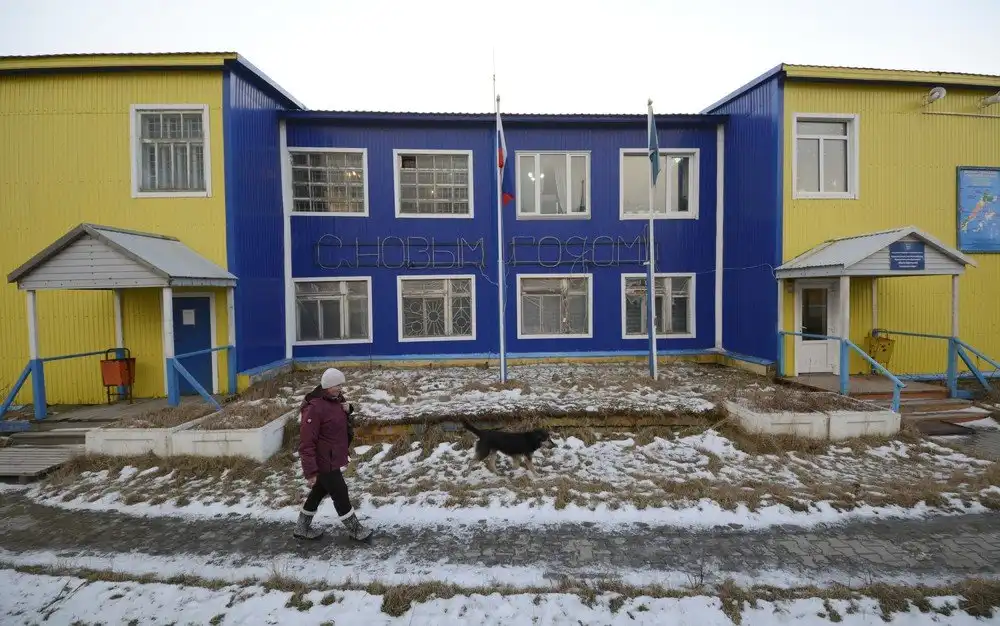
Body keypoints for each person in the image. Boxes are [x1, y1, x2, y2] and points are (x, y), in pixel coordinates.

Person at [293, 367, 373, 542]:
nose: (340, 389)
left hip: (332, 456)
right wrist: (310, 472)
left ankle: (301, 527)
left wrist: (349, 409)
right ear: (327, 385)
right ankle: (355, 530)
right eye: (337, 385)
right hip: (324, 460)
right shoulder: (314, 408)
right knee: (340, 492)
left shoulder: (336, 400)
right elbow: (306, 443)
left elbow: (340, 420)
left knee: (319, 491)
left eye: (341, 385)